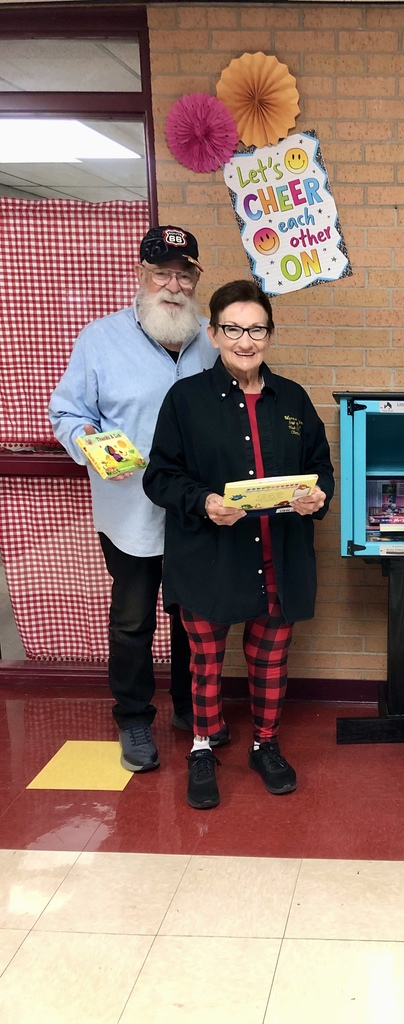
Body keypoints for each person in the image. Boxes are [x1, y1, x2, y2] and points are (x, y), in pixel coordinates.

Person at [142, 279, 334, 810]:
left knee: (270, 658)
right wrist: (203, 502)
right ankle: (203, 747)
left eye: (256, 329)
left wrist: (316, 497)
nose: (245, 340)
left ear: (270, 334)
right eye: (233, 329)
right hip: (209, 557)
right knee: (206, 660)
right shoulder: (186, 399)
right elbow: (159, 476)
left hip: (278, 558)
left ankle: (264, 744)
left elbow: (320, 466)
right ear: (213, 332)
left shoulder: (292, 398)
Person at [49, 225, 219, 773]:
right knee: (132, 620)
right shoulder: (99, 338)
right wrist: (91, 445)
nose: (173, 285)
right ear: (140, 275)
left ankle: (191, 711)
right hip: (130, 512)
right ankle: (132, 719)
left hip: (194, 511)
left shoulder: (208, 341)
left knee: (193, 616)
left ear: (194, 280)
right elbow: (68, 414)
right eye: (161, 273)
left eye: (184, 274)